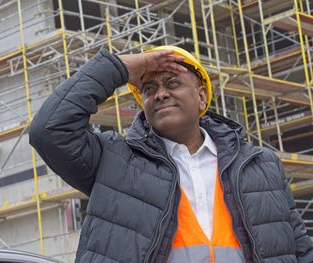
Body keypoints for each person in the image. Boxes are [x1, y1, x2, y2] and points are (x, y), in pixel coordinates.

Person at [29, 46, 313, 263]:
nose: (160, 94)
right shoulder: (113, 162)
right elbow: (49, 130)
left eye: (173, 83)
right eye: (149, 89)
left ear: (201, 97)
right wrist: (118, 68)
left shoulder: (261, 166)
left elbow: (300, 250)